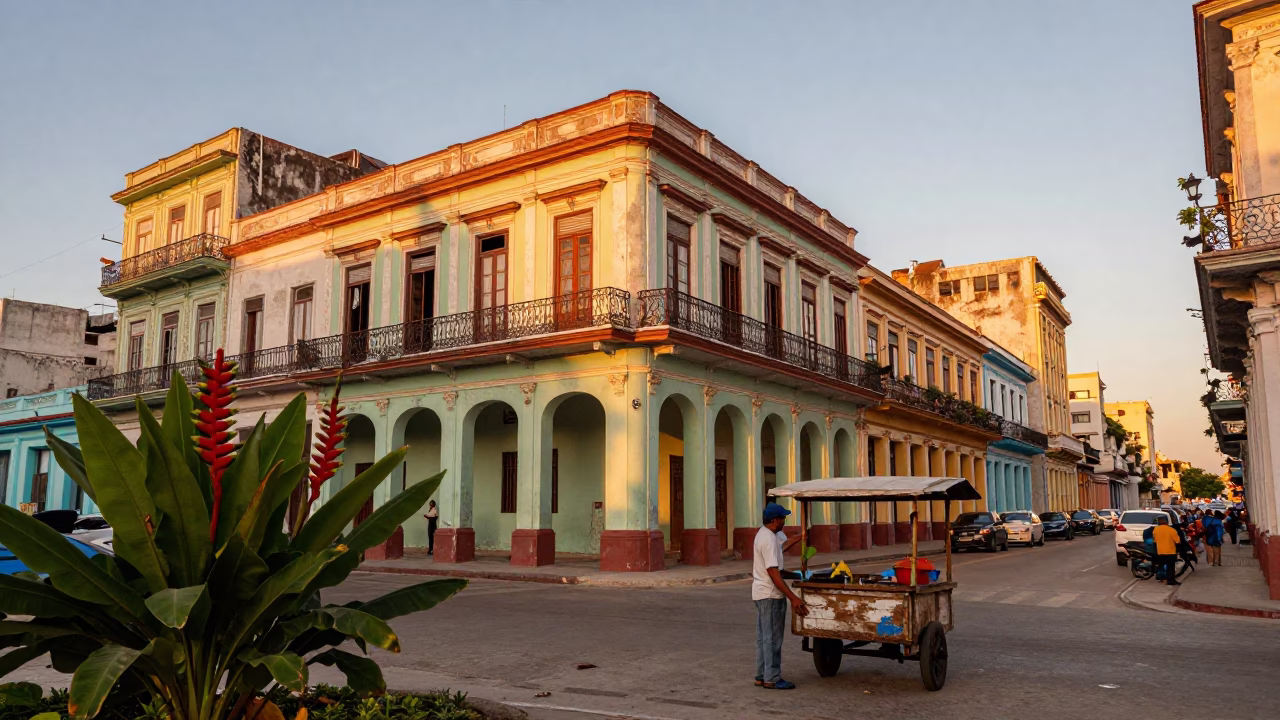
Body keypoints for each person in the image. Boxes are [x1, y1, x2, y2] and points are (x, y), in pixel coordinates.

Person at [752, 502, 807, 690]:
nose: (784, 521)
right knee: (773, 638)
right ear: (775, 520)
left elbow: (783, 545)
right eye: (783, 518)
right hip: (769, 594)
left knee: (764, 637)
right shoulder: (767, 539)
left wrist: (801, 537)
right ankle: (772, 677)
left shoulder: (771, 534)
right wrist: (793, 598)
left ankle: (762, 674)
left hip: (763, 592)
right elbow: (774, 572)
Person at [1152, 515, 1181, 586]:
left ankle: (1160, 578)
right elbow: (1177, 541)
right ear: (1167, 522)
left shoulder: (1156, 529)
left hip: (1160, 551)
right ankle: (1170, 580)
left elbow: (1155, 541)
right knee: (1170, 567)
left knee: (1160, 565)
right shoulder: (1172, 530)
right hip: (1170, 552)